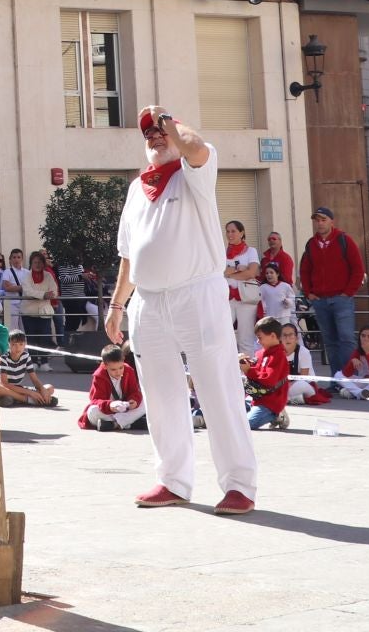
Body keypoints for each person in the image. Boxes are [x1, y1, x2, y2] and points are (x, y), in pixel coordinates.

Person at [106, 106, 258, 515]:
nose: (154, 137)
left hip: (197, 294)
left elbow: (193, 147)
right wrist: (117, 304)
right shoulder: (138, 188)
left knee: (218, 389)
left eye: (160, 131)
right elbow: (127, 254)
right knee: (161, 396)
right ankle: (172, 480)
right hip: (149, 301)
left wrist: (168, 119)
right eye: (148, 133)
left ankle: (239, 484)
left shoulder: (195, 172)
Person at [298, 205, 363, 377]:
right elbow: (304, 270)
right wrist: (308, 292)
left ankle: (350, 379)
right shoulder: (311, 244)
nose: (320, 223)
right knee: (330, 342)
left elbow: (358, 269)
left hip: (341, 299)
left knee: (346, 339)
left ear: (331, 221)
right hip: (320, 299)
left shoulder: (344, 240)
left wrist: (348, 293)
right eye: (317, 220)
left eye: (323, 220)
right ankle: (337, 378)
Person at [79, 344, 146, 432]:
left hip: (124, 410)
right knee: (92, 411)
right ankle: (128, 423)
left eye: (121, 367)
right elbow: (95, 400)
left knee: (145, 402)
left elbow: (135, 392)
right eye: (113, 370)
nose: (118, 372)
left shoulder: (129, 370)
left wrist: (134, 401)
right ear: (105, 365)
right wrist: (110, 406)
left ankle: (114, 424)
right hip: (108, 411)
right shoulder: (99, 376)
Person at [241, 316, 291, 429]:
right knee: (233, 415)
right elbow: (258, 372)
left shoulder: (278, 356)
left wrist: (248, 370)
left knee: (245, 425)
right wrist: (246, 363)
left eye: (260, 337)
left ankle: (277, 415)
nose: (258, 341)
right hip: (257, 398)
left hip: (270, 403)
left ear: (273, 336)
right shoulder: (260, 353)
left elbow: (269, 380)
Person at [224, 221, 261, 357]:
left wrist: (229, 272)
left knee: (246, 339)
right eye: (228, 231)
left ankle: (248, 374)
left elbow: (251, 273)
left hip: (245, 298)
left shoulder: (251, 251)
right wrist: (238, 269)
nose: (230, 234)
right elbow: (218, 272)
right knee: (223, 335)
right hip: (226, 298)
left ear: (242, 232)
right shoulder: (221, 252)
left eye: (233, 231)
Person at [0, 331, 57, 408]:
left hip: (18, 388)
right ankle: (27, 400)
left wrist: (42, 389)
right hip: (5, 388)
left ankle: (14, 399)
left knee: (49, 388)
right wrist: (30, 393)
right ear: (8, 344)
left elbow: (34, 379)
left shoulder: (26, 356)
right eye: (14, 344)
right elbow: (4, 384)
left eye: (21, 344)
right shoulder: (4, 358)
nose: (17, 348)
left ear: (25, 345)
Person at [18, 251, 59, 360]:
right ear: (31, 263)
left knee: (44, 338)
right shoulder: (26, 276)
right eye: (35, 262)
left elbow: (54, 291)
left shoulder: (48, 275)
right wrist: (43, 295)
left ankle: (44, 361)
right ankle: (34, 361)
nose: (37, 264)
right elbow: (28, 291)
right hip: (28, 312)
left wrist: (50, 294)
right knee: (31, 338)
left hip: (44, 312)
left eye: (40, 262)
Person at [280, 323, 328, 406]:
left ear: (296, 338)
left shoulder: (303, 352)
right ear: (280, 338)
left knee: (301, 384)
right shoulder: (277, 352)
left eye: (291, 335)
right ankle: (292, 398)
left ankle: (285, 398)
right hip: (284, 385)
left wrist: (287, 386)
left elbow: (303, 377)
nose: (287, 338)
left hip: (304, 384)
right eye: (284, 335)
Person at [255, 263, 296, 327]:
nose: (269, 275)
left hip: (284, 315)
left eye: (271, 272)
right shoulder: (263, 287)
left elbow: (292, 298)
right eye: (267, 273)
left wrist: (288, 301)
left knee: (283, 333)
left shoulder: (285, 286)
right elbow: (260, 300)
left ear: (277, 274)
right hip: (270, 316)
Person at [0, 254, 24, 329]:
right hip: (3, 303)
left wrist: (13, 287)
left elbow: (7, 288)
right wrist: (21, 287)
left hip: (5, 302)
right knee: (9, 329)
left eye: (0, 260)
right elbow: (7, 287)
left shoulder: (4, 272)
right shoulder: (7, 272)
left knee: (22, 329)